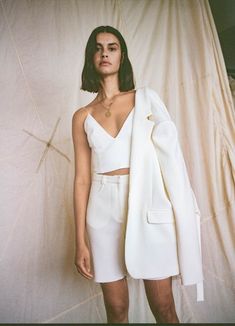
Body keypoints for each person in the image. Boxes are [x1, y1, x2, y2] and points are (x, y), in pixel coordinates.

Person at [72, 25, 204, 324]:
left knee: (164, 306)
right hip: (102, 212)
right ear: (90, 56)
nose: (104, 52)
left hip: (148, 204)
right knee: (116, 310)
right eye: (97, 47)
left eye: (112, 47)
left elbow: (172, 158)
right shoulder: (81, 116)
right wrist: (79, 240)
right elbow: (81, 179)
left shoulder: (145, 99)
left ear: (122, 57)